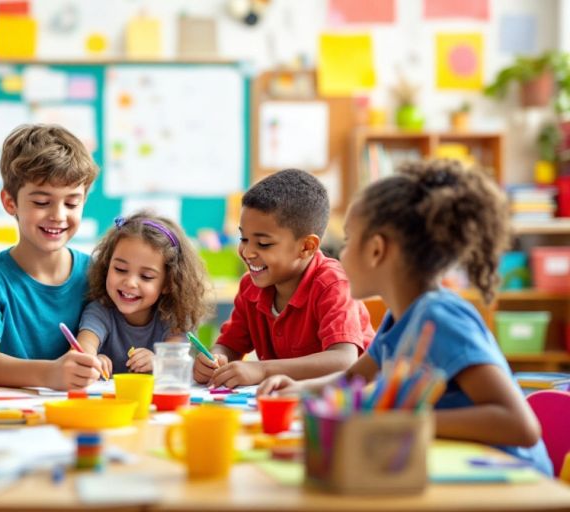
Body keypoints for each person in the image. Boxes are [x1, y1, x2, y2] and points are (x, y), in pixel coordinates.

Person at [259, 160, 552, 475]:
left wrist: (397, 422)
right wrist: (298, 388)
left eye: (346, 241)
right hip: (460, 471)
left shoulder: (439, 316)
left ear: (376, 250)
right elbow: (351, 380)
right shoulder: (400, 320)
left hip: (512, 485)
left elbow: (521, 426)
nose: (340, 256)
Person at [194, 169, 374, 388]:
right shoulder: (251, 286)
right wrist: (215, 359)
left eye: (263, 244)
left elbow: (343, 360)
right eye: (243, 238)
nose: (247, 252)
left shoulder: (332, 284)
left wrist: (263, 369)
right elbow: (229, 345)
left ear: (306, 247)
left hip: (341, 403)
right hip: (287, 401)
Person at [0, 124, 102, 390]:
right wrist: (49, 374)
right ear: (9, 202)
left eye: (72, 203)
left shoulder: (98, 275)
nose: (59, 215)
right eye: (41, 202)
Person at [76, 212, 211, 375]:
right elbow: (82, 352)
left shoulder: (176, 317)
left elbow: (176, 362)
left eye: (146, 276)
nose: (130, 283)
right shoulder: (100, 311)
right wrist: (92, 361)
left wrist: (158, 361)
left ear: (168, 283)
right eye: (120, 269)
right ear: (107, 265)